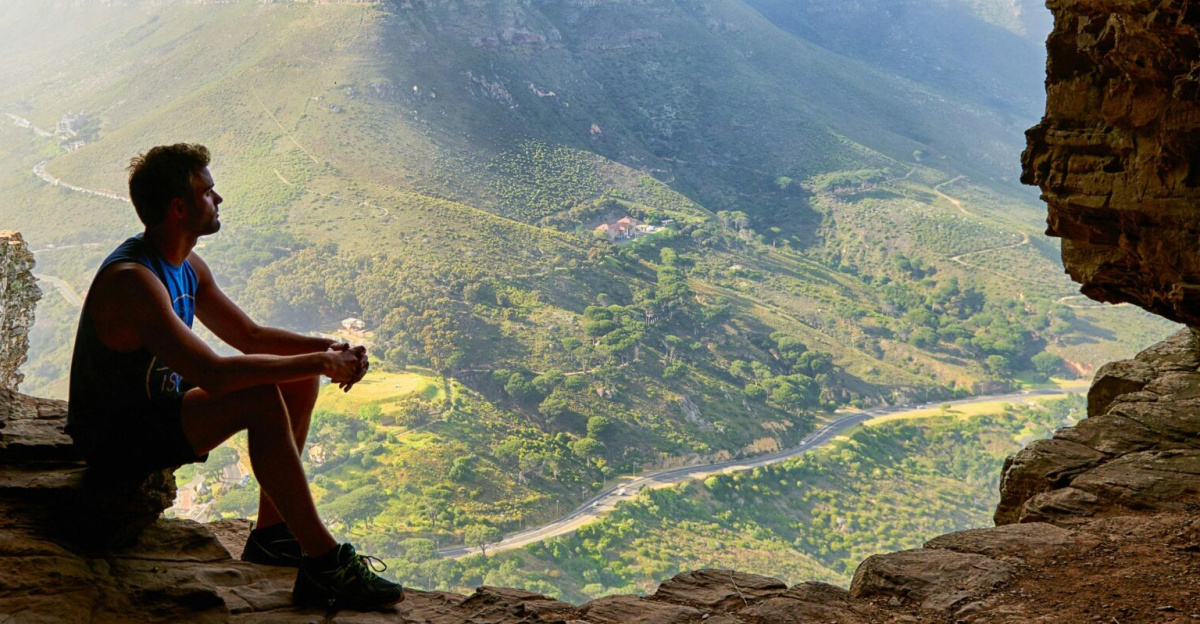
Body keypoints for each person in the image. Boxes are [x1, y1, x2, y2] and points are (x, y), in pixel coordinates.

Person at [65, 143, 403, 611]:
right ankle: (326, 564)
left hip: (157, 411)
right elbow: (214, 374)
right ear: (179, 208)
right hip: (118, 436)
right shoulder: (134, 280)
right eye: (208, 191)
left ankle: (273, 536)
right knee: (260, 399)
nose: (218, 199)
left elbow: (249, 334)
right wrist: (321, 363)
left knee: (295, 381)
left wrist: (326, 350)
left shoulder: (185, 265)